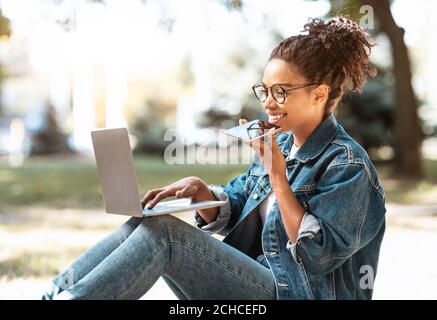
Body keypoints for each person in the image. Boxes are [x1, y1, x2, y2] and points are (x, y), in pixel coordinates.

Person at [42, 16, 386, 300]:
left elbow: (319, 254)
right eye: (265, 90)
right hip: (262, 282)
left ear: (319, 94)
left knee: (166, 235)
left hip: (295, 293)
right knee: (146, 221)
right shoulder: (279, 145)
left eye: (281, 91)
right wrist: (203, 195)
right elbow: (240, 203)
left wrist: (279, 178)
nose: (268, 102)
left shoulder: (346, 164)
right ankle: (55, 293)